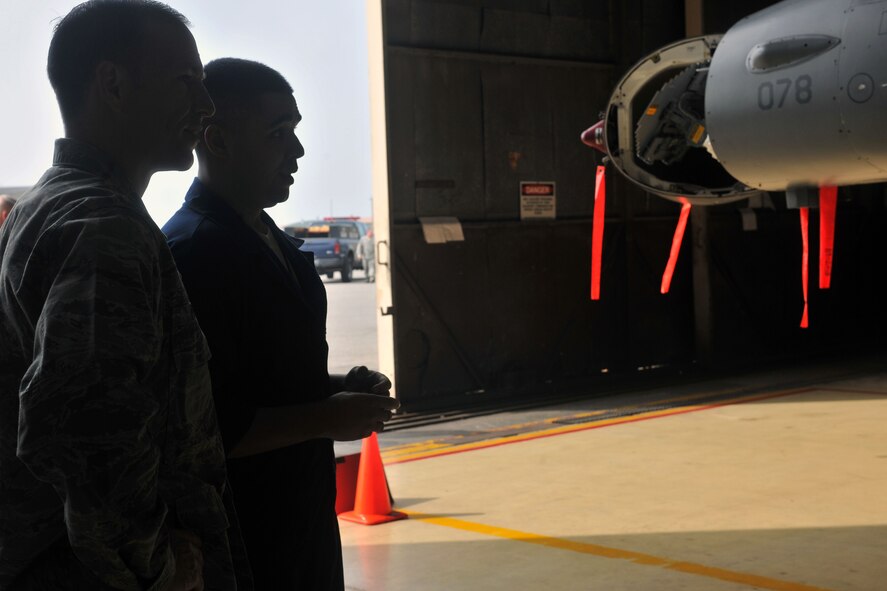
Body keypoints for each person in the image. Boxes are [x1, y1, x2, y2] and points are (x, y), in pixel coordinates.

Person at [0, 2, 252, 590]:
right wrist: (158, 565)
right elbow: (90, 436)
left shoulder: (46, 206)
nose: (206, 104)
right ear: (112, 85)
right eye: (185, 81)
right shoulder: (103, 229)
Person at [162, 58, 399, 590]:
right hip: (247, 535)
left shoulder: (270, 240)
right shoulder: (194, 254)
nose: (298, 151)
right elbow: (209, 424)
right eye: (278, 133)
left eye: (295, 130)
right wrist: (327, 417)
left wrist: (338, 388)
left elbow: (266, 380)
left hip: (302, 519)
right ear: (218, 140)